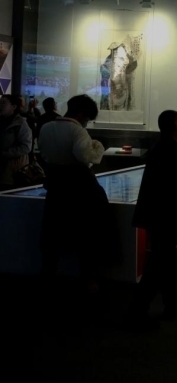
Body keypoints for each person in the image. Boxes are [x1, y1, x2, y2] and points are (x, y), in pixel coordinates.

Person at [127, 110, 177, 330]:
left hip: (164, 215)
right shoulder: (168, 151)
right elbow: (175, 185)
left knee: (165, 261)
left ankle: (172, 303)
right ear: (176, 126)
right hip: (165, 216)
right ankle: (136, 312)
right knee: (159, 263)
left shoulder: (167, 148)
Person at [37, 94, 112, 292]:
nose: (86, 122)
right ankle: (89, 278)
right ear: (81, 114)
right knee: (87, 232)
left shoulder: (46, 127)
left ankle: (48, 274)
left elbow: (43, 152)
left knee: (52, 232)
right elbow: (86, 156)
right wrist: (98, 146)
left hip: (55, 184)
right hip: (79, 187)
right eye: (87, 118)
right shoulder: (77, 130)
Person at [0, 94, 33, 191]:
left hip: (12, 171)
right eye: (0, 103)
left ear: (13, 107)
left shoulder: (20, 123)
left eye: (4, 103)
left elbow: (26, 147)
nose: (0, 105)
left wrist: (4, 153)